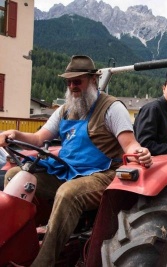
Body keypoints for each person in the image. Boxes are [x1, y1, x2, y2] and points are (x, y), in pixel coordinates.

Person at [0, 55, 153, 266]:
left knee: (68, 193)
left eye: (77, 81)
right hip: (67, 169)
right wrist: (15, 134)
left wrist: (141, 151)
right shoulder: (65, 110)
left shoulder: (111, 108)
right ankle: (19, 245)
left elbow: (130, 145)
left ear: (93, 80)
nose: (72, 86)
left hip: (102, 173)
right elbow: (38, 138)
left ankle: (43, 262)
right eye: (69, 81)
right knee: (15, 175)